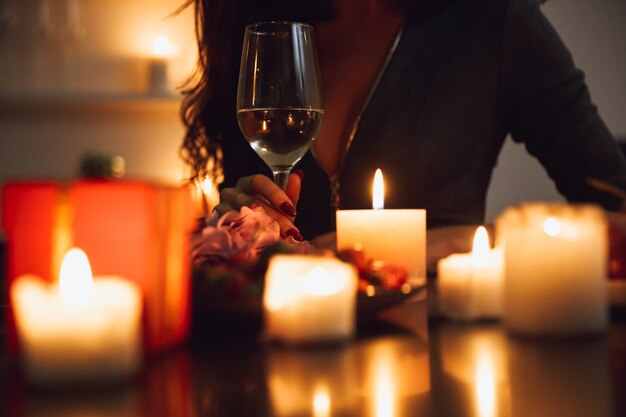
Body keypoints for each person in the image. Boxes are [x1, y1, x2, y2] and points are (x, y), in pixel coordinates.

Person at [179, 0, 626, 273]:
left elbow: (618, 216)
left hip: (439, 370)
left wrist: (446, 245)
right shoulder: (257, 26)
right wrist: (235, 224)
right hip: (284, 374)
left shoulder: (492, 20)